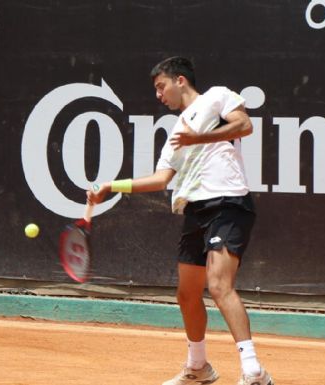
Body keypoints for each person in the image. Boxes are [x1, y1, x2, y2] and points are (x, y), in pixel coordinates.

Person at [87, 56, 274, 385]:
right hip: (195, 211)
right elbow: (161, 179)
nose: (159, 95)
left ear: (180, 81)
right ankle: (198, 366)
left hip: (228, 203)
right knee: (187, 295)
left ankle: (253, 369)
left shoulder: (216, 97)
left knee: (218, 285)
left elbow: (244, 125)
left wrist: (198, 140)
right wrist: (110, 186)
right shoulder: (177, 131)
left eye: (161, 87)